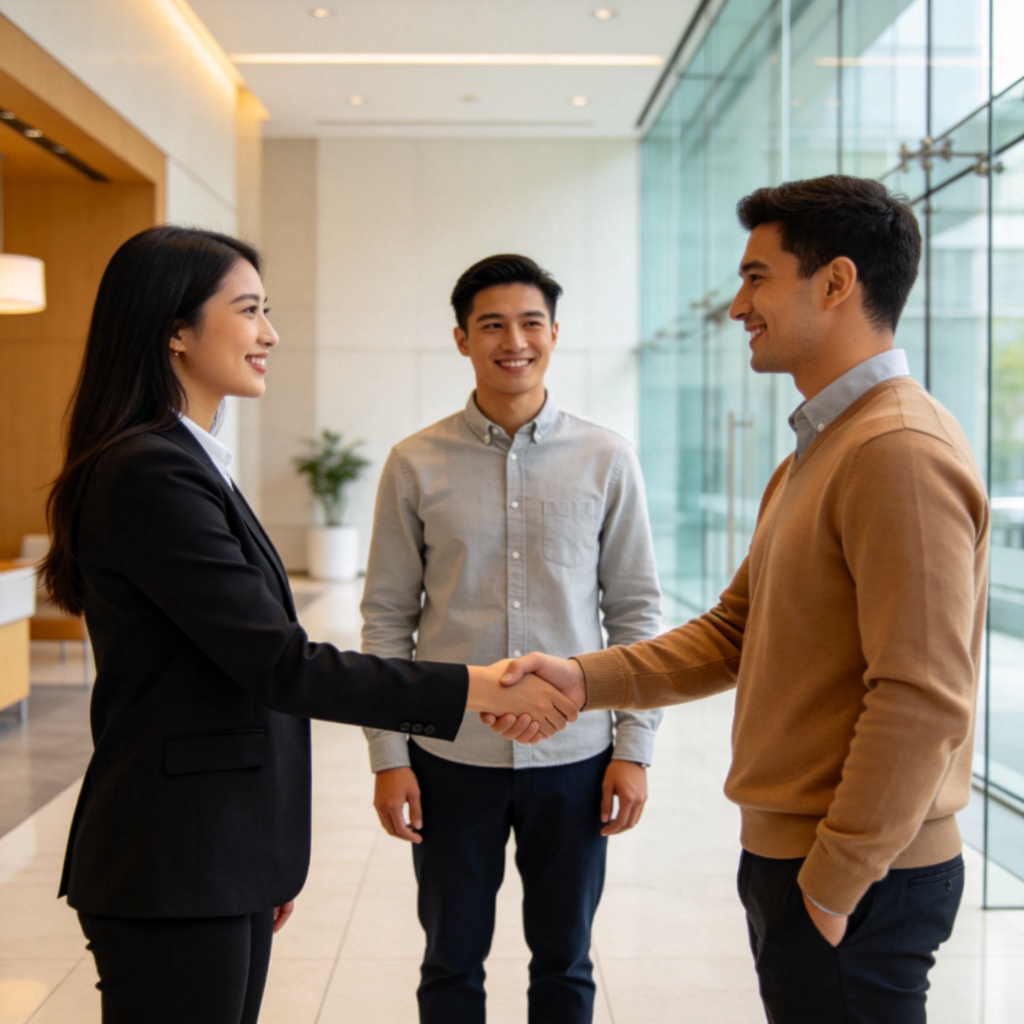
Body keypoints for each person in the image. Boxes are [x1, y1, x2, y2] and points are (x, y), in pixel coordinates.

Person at [41, 226, 577, 1024]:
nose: (270, 334)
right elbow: (280, 664)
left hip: (215, 852)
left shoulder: (183, 462)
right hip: (178, 858)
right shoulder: (152, 470)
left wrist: (259, 859)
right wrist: (474, 686)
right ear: (176, 331)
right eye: (249, 310)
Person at [495, 176, 990, 1024]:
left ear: (835, 283)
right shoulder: (820, 450)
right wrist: (582, 679)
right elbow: (735, 631)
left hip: (857, 872)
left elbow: (922, 694)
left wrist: (836, 880)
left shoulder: (896, 451)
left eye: (757, 276)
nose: (737, 306)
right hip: (803, 858)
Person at [360, 253, 663, 1023]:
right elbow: (387, 618)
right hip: (448, 755)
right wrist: (390, 760)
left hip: (577, 758)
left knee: (566, 962)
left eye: (531, 323)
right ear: (461, 339)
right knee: (451, 961)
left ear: (555, 335)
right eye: (492, 324)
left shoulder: (607, 458)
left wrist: (634, 748)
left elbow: (635, 614)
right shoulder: (414, 463)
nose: (513, 340)